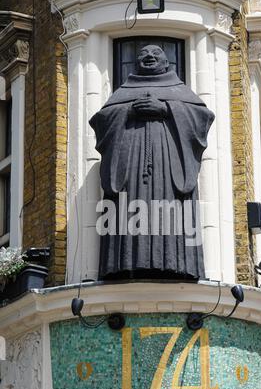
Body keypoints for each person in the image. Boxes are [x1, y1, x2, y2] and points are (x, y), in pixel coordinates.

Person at [89, 45, 215, 280]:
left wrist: (166, 108)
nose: (148, 56)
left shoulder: (180, 90)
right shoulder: (123, 93)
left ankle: (176, 264)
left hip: (168, 168)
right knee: (129, 208)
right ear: (136, 63)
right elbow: (102, 121)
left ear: (167, 63)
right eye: (143, 53)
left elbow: (203, 118)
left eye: (156, 54)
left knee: (169, 210)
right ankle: (124, 263)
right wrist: (128, 112)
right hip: (130, 170)